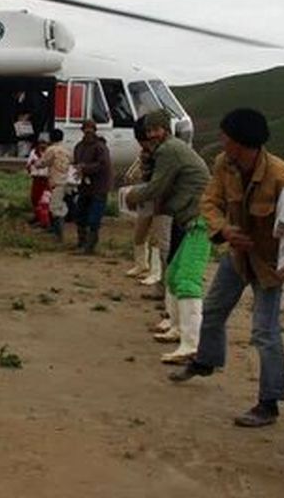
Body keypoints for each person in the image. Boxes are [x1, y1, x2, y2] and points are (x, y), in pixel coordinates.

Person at [169, 108, 284, 428]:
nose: (221, 141)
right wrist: (224, 230)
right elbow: (210, 202)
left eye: (225, 136)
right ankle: (205, 361)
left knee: (264, 332)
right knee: (214, 310)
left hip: (268, 264)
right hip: (237, 257)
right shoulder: (223, 165)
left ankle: (269, 402)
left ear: (240, 143)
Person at [124, 110, 211, 363]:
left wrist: (133, 196)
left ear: (165, 129)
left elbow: (157, 187)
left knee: (187, 279)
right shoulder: (169, 149)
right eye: (148, 131)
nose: (151, 135)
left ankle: (192, 344)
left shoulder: (168, 150)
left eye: (155, 130)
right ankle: (177, 327)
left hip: (200, 219)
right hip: (190, 216)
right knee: (173, 273)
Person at [121, 117, 158, 279]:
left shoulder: (161, 153)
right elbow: (135, 171)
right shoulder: (144, 154)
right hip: (145, 195)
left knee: (157, 237)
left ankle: (156, 271)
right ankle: (141, 264)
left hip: (157, 197)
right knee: (140, 232)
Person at [72, 120, 112, 254]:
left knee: (94, 218)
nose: (88, 131)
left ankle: (90, 247)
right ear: (82, 130)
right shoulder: (78, 146)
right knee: (80, 215)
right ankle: (81, 242)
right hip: (84, 187)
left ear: (95, 130)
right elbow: (75, 163)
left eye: (91, 129)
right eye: (86, 129)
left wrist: (85, 168)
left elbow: (103, 165)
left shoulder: (100, 147)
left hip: (99, 187)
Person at [40, 129, 72, 241]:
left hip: (57, 182)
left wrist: (36, 164)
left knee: (55, 208)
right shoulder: (67, 150)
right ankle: (56, 232)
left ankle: (59, 235)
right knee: (59, 205)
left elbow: (42, 163)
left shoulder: (51, 150)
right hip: (67, 182)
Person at [25, 134, 50, 227]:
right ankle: (38, 216)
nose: (42, 145)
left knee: (44, 201)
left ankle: (44, 221)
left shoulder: (50, 153)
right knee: (35, 198)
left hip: (46, 179)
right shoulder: (33, 152)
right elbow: (29, 164)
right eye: (41, 143)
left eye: (45, 143)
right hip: (37, 179)